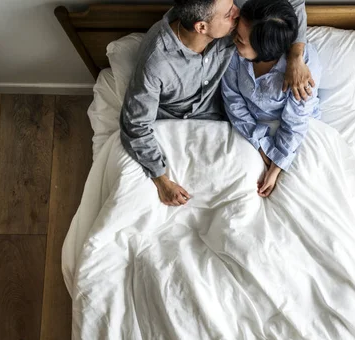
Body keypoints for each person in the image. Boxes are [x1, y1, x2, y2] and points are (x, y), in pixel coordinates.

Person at [120, 0, 313, 206]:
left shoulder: (229, 27)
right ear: (202, 27)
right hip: (172, 127)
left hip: (224, 123)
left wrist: (296, 57)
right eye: (229, 12)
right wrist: (161, 180)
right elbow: (136, 124)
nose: (238, 12)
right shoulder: (156, 63)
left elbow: (293, 4)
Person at [221, 0, 321, 197]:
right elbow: (233, 102)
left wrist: (277, 165)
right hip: (247, 128)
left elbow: (296, 121)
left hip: (296, 131)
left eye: (241, 39)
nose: (234, 39)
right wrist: (260, 144)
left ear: (264, 49)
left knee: (298, 193)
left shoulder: (304, 65)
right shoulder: (234, 54)